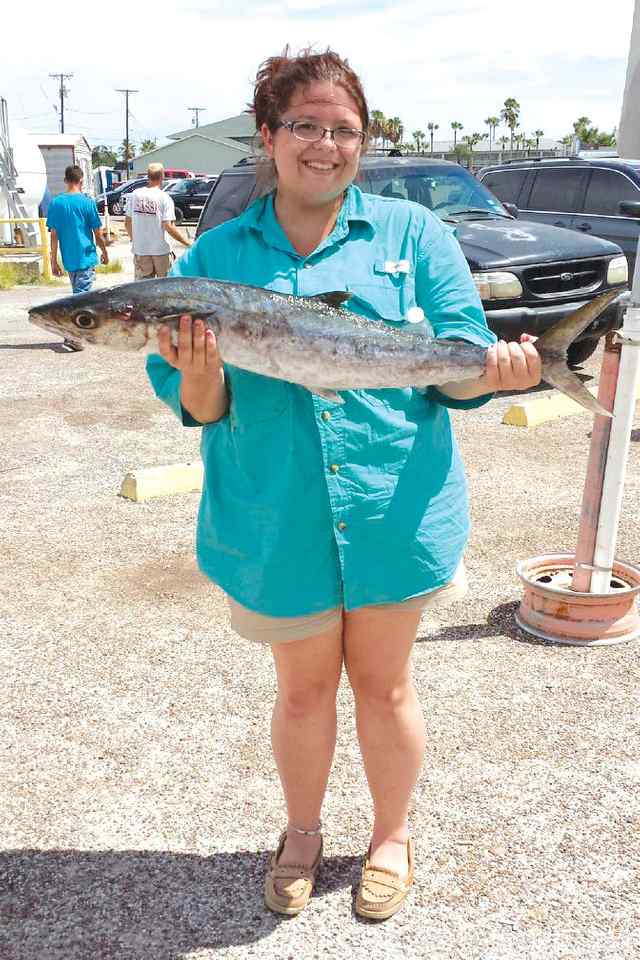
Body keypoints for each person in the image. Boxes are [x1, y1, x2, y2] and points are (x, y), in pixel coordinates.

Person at [146, 49, 542, 921]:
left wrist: (501, 372)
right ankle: (301, 831)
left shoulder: (415, 235)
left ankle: (392, 835)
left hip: (394, 508)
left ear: (362, 141)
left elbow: (455, 369)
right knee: (301, 689)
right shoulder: (215, 254)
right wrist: (200, 368)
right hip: (272, 515)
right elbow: (199, 403)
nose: (325, 145)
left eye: (344, 130)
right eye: (305, 126)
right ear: (267, 137)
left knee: (388, 685)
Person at [46, 165, 108, 351]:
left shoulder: (56, 203)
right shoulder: (87, 203)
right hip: (86, 256)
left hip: (69, 258)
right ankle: (72, 336)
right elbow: (97, 233)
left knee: (77, 296)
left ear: (66, 180)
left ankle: (74, 333)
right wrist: (104, 251)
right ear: (81, 180)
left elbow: (54, 235)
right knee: (81, 299)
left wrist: (53, 260)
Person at [124, 162, 191, 279]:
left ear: (148, 176)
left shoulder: (135, 195)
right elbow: (168, 226)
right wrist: (187, 242)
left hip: (141, 251)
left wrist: (135, 240)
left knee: (143, 289)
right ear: (162, 176)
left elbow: (127, 223)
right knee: (164, 288)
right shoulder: (164, 198)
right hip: (161, 251)